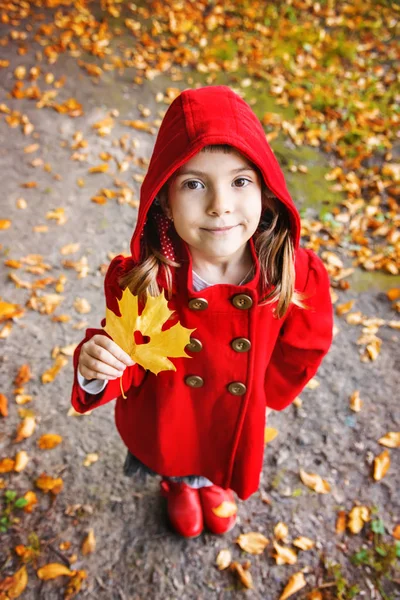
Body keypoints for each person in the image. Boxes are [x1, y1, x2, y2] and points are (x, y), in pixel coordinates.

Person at [71, 85, 333, 539]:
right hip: (170, 416)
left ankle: (213, 484)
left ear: (267, 192)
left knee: (217, 455)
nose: (220, 205)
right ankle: (177, 484)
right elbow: (127, 361)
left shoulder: (291, 272)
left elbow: (305, 343)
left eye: (240, 181)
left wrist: (261, 394)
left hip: (232, 417)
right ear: (165, 202)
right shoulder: (146, 279)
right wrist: (99, 366)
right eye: (194, 184)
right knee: (179, 453)